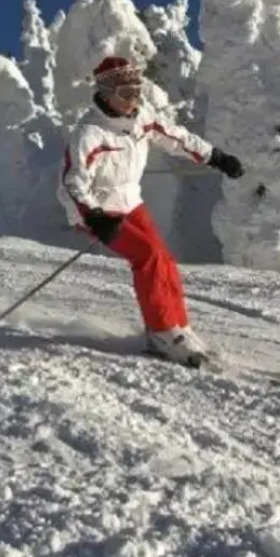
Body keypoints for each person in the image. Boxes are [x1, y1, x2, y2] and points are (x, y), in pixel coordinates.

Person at [57, 56, 245, 363]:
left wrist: (216, 157)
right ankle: (161, 332)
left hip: (131, 203)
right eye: (125, 93)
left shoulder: (140, 118)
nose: (133, 99)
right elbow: (72, 182)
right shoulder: (90, 133)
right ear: (106, 94)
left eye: (137, 91)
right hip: (97, 211)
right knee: (147, 256)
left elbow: (177, 138)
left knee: (164, 260)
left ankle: (178, 326)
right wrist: (94, 217)